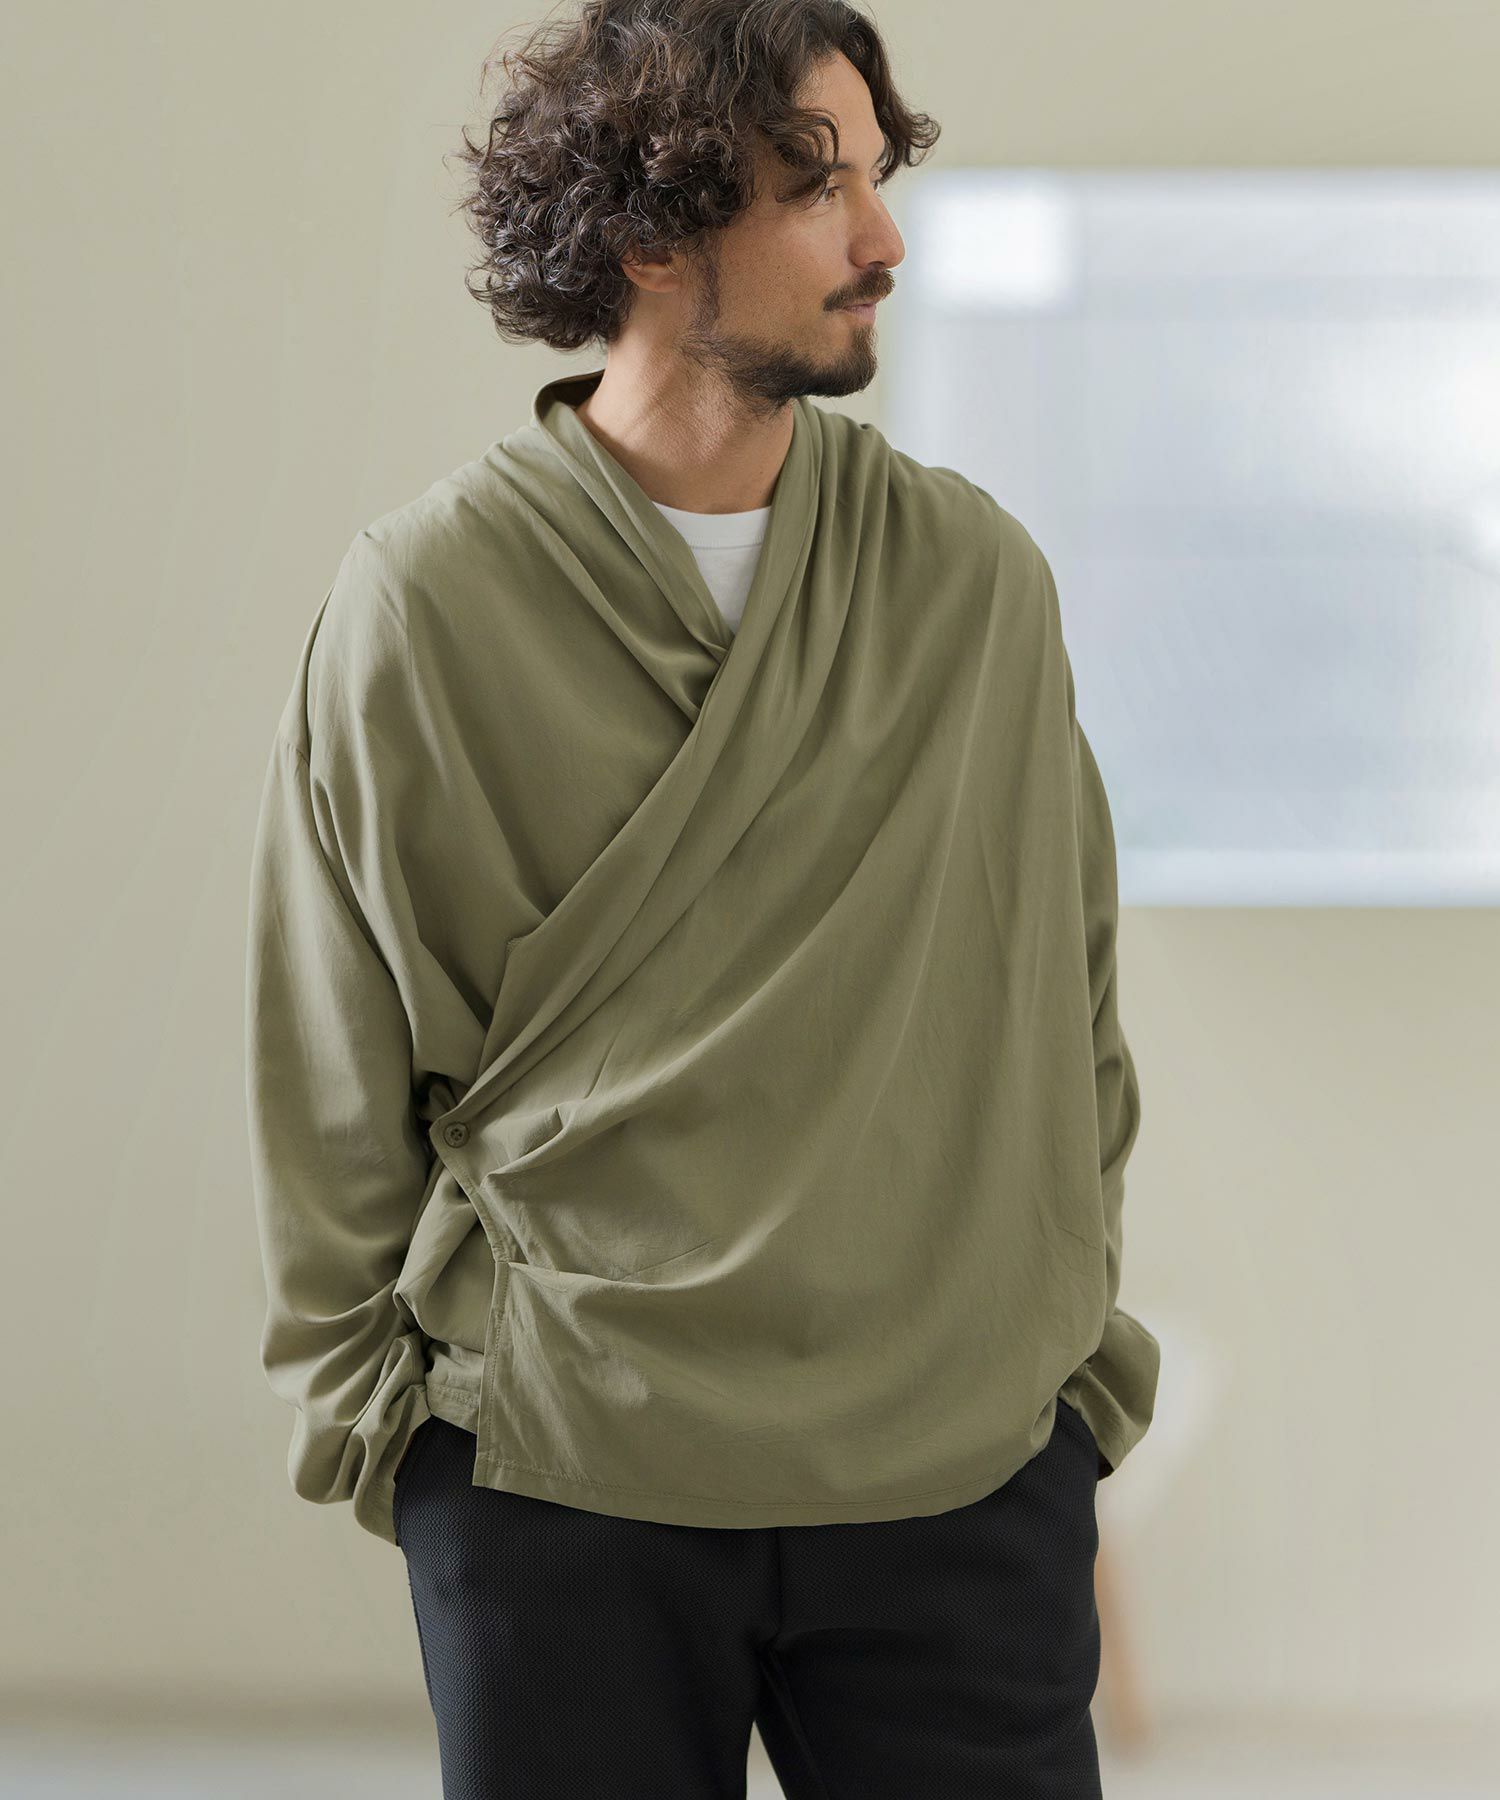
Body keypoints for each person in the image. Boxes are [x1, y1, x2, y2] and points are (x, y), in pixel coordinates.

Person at [244, 2, 1160, 1794]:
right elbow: (330, 1062)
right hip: (564, 1473)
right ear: (650, 233)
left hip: (956, 1468)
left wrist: (1058, 1370)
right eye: (815, 188)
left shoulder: (970, 583)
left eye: (877, 180)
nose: (883, 240)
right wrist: (392, 1434)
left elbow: (1072, 1006)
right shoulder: (428, 604)